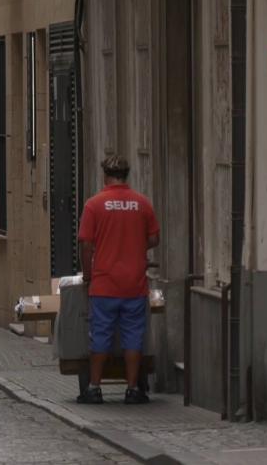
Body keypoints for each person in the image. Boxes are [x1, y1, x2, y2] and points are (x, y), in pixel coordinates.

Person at [77, 154, 160, 405]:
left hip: (104, 284)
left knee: (100, 334)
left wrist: (88, 277)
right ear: (127, 175)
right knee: (134, 336)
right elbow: (155, 239)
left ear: (106, 176)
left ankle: (94, 388)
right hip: (134, 283)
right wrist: (135, 248)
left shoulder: (94, 205)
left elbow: (86, 244)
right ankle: (133, 389)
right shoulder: (142, 204)